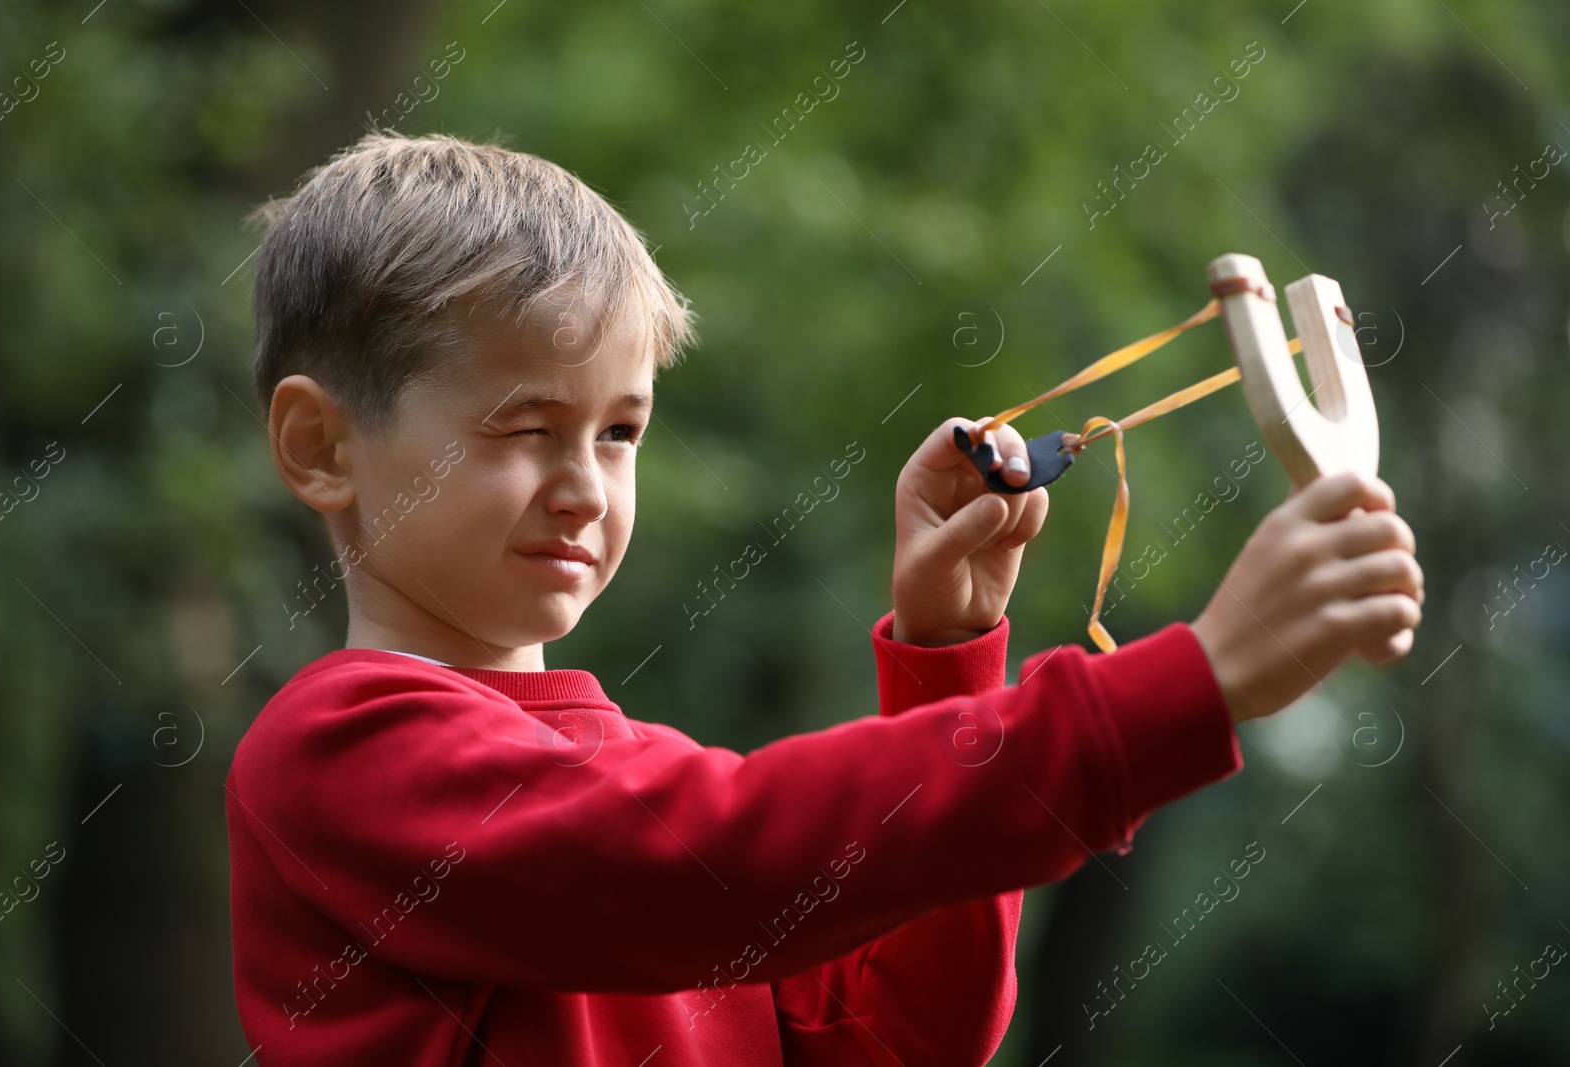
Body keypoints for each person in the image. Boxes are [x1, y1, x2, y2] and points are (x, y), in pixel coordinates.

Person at [226, 131, 1424, 1066]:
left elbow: (898, 1037)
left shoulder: (645, 774)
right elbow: (711, 861)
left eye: (622, 429)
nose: (584, 486)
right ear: (320, 444)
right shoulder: (339, 754)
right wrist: (1176, 690)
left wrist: (948, 658)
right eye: (524, 428)